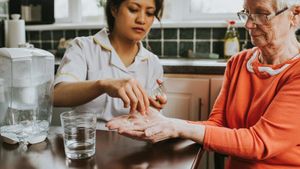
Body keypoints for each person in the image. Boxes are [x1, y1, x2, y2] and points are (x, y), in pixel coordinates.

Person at [107, 0, 300, 168]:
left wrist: (176, 126)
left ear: (294, 15)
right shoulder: (238, 62)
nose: (249, 24)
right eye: (247, 13)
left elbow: (260, 143)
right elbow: (216, 125)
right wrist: (161, 125)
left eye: (262, 14)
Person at [53, 0, 166, 121]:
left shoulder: (153, 63)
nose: (142, 20)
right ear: (114, 9)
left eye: (149, 13)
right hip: (89, 138)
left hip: (133, 138)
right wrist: (103, 85)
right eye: (133, 9)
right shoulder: (82, 47)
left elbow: (150, 118)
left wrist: (153, 107)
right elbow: (56, 96)